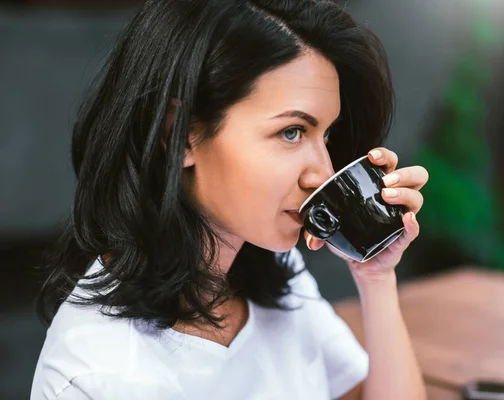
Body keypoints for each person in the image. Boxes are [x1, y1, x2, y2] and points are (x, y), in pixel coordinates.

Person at [31, 1, 429, 399]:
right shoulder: (95, 373)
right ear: (179, 135)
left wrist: (376, 278)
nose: (322, 174)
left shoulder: (278, 276)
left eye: (325, 136)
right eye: (291, 132)